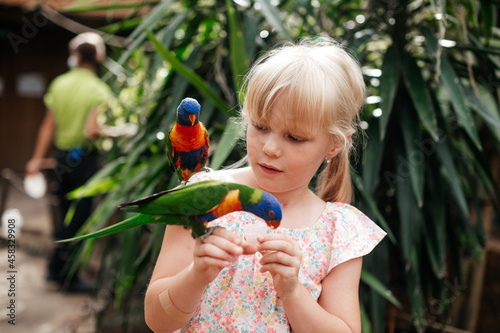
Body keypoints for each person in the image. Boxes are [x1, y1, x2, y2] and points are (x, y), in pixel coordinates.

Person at [144, 37, 386, 332]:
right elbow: (157, 320)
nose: (270, 147)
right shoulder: (203, 194)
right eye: (260, 126)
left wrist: (293, 292)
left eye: (294, 138)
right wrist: (196, 275)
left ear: (334, 144)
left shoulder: (339, 231)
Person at [25, 32, 111, 292]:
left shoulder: (59, 84)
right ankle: (67, 277)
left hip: (61, 159)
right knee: (79, 220)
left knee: (63, 216)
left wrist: (36, 159)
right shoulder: (100, 89)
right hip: (85, 160)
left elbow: (48, 125)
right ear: (98, 57)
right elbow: (93, 130)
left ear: (76, 55)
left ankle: (56, 270)